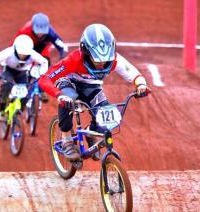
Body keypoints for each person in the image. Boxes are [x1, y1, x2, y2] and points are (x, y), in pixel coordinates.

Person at [38, 24, 148, 161]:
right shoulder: (73, 60)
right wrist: (59, 95)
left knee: (104, 119)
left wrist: (141, 84)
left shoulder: (115, 60)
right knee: (68, 98)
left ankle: (90, 131)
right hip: (68, 82)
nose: (101, 64)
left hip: (91, 86)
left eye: (105, 60)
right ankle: (67, 140)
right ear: (85, 53)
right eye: (96, 60)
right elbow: (44, 79)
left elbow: (134, 74)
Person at [0, 34, 48, 121]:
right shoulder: (8, 52)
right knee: (6, 86)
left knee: (26, 93)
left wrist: (41, 73)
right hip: (8, 70)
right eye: (21, 53)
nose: (23, 56)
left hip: (22, 73)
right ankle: (2, 110)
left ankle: (20, 109)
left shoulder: (33, 54)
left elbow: (44, 62)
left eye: (25, 54)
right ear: (15, 49)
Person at [13, 12, 68, 102]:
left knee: (45, 66)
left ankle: (42, 90)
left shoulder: (51, 33)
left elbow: (61, 46)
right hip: (28, 49)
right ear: (32, 27)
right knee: (26, 68)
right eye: (37, 32)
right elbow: (15, 46)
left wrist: (61, 59)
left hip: (43, 49)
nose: (40, 35)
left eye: (43, 33)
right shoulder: (24, 31)